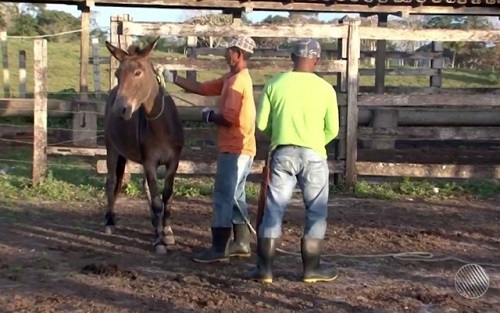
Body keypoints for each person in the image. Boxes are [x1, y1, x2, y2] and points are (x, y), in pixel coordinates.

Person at [246, 39, 339, 283]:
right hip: (314, 154)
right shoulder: (326, 89)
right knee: (316, 210)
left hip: (283, 153)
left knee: (274, 208)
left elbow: (262, 124)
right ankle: (311, 269)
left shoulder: (275, 84)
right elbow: (334, 129)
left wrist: (280, 135)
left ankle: (264, 269)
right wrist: (315, 142)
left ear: (292, 57)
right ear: (317, 60)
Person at [164, 35, 257, 263]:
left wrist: (209, 116)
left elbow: (228, 117)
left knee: (223, 197)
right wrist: (174, 78)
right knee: (236, 196)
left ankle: (219, 249)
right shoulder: (232, 78)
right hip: (242, 147)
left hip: (235, 147)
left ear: (239, 54)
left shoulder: (237, 82)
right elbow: (204, 88)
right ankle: (241, 243)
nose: (226, 53)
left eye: (229, 50)